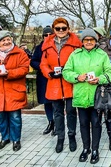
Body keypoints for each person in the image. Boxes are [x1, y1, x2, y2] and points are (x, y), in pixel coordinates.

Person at [63, 28, 111, 164]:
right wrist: (76, 77)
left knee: (96, 123)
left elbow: (110, 72)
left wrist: (100, 79)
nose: (89, 42)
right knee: (84, 123)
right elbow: (66, 71)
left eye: (91, 39)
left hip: (97, 97)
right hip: (80, 96)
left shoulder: (101, 55)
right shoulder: (75, 54)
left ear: (95, 41)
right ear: (83, 41)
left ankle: (95, 149)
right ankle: (86, 148)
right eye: (86, 40)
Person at [40, 17, 82, 153]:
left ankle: (71, 136)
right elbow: (43, 63)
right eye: (58, 28)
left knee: (71, 112)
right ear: (54, 29)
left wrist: (71, 71)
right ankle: (60, 137)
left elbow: (80, 62)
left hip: (70, 83)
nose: (61, 31)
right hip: (54, 84)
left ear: (68, 29)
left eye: (64, 28)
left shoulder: (75, 44)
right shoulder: (48, 44)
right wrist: (49, 73)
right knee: (57, 113)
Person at [0, 30, 29, 151]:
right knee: (0, 117)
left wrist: (9, 73)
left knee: (15, 117)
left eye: (8, 39)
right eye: (3, 40)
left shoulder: (20, 53)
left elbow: (24, 69)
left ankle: (16, 140)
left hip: (14, 91)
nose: (7, 41)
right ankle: (5, 138)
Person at [30, 26, 55, 136]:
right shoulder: (39, 48)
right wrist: (42, 67)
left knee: (56, 102)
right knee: (46, 101)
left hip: (55, 77)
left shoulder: (57, 46)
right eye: (45, 35)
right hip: (43, 78)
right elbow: (33, 61)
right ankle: (51, 122)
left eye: (50, 34)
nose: (48, 36)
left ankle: (58, 124)